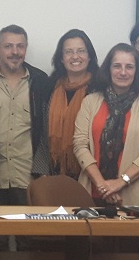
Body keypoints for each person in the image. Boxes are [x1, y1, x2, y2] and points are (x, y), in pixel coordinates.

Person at [73, 43, 139, 207]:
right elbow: (80, 145)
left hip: (130, 194)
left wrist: (120, 182)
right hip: (91, 192)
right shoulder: (90, 102)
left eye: (129, 67)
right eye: (117, 66)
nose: (123, 72)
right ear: (108, 69)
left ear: (137, 71)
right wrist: (103, 186)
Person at [0, 25, 51, 208]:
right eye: (8, 46)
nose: (15, 52)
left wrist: (42, 171)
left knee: (28, 226)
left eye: (20, 46)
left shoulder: (40, 80)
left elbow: (46, 129)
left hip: (28, 176)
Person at [45, 29, 102, 178]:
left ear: (90, 56)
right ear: (61, 58)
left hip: (91, 169)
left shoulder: (101, 88)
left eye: (81, 51)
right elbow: (41, 131)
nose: (75, 56)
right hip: (53, 168)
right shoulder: (50, 86)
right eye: (69, 52)